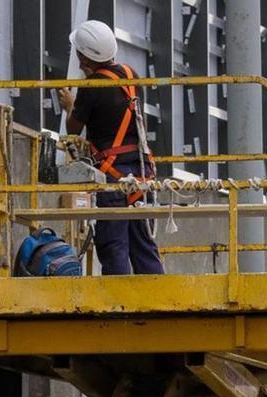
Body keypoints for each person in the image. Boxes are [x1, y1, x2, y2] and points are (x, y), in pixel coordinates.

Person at [58, 20, 164, 276]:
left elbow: (74, 128)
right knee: (144, 245)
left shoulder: (92, 87)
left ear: (83, 58)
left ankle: (119, 308)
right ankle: (157, 304)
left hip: (113, 174)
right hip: (141, 171)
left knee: (114, 245)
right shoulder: (131, 75)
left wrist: (69, 106)